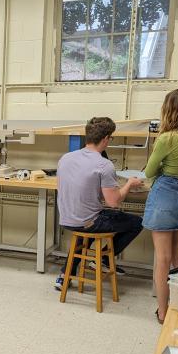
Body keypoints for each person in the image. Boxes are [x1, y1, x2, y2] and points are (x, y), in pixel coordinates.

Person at [55, 117, 144, 290]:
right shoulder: (104, 165)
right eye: (111, 138)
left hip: (67, 218)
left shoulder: (65, 158)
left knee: (85, 233)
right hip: (88, 222)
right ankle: (102, 261)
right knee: (137, 222)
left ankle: (64, 276)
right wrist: (128, 185)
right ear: (105, 139)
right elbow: (113, 202)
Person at [143, 89, 178, 323]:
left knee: (162, 259)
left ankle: (163, 311)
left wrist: (166, 167)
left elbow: (149, 171)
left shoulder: (166, 138)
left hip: (166, 196)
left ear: (169, 110)